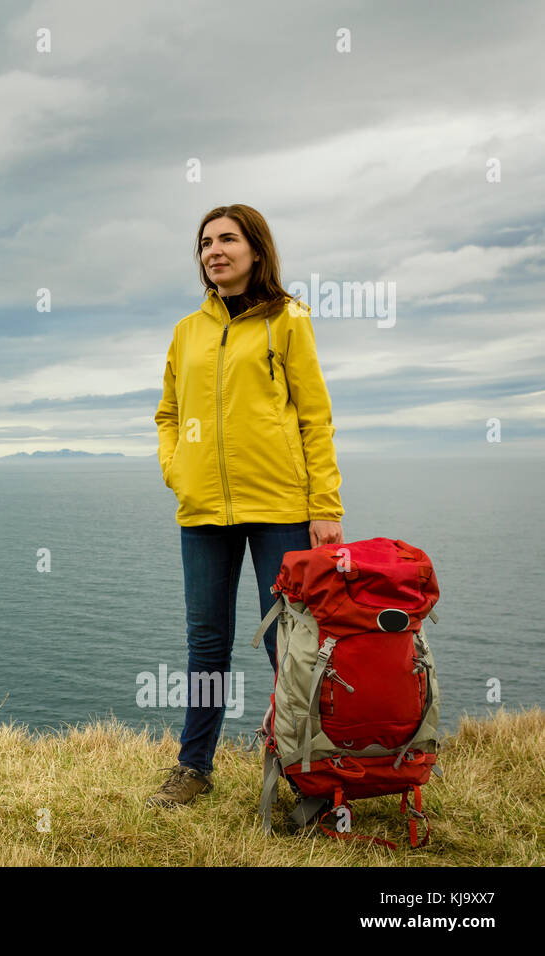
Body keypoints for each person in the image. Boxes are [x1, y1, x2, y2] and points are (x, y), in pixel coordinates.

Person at [147, 204, 344, 809]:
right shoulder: (187, 331)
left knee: (286, 642)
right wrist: (178, 472)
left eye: (228, 239)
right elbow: (168, 415)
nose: (214, 251)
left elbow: (314, 416)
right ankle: (193, 766)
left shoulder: (288, 319)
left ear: (256, 249)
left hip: (279, 504)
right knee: (206, 642)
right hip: (202, 509)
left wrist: (324, 504)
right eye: (205, 243)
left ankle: (300, 766)